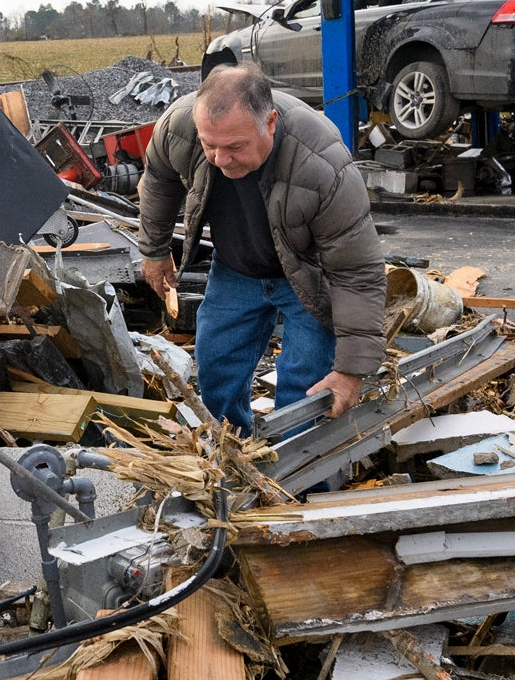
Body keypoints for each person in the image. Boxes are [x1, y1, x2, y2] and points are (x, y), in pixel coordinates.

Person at [137, 63, 385, 436]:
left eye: (235, 147)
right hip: (235, 268)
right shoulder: (179, 127)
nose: (219, 160)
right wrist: (154, 250)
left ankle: (300, 468)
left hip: (307, 272)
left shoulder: (323, 164)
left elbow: (357, 272)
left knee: (304, 384)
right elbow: (159, 179)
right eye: (209, 145)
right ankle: (232, 454)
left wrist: (351, 371)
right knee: (216, 367)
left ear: (269, 123)